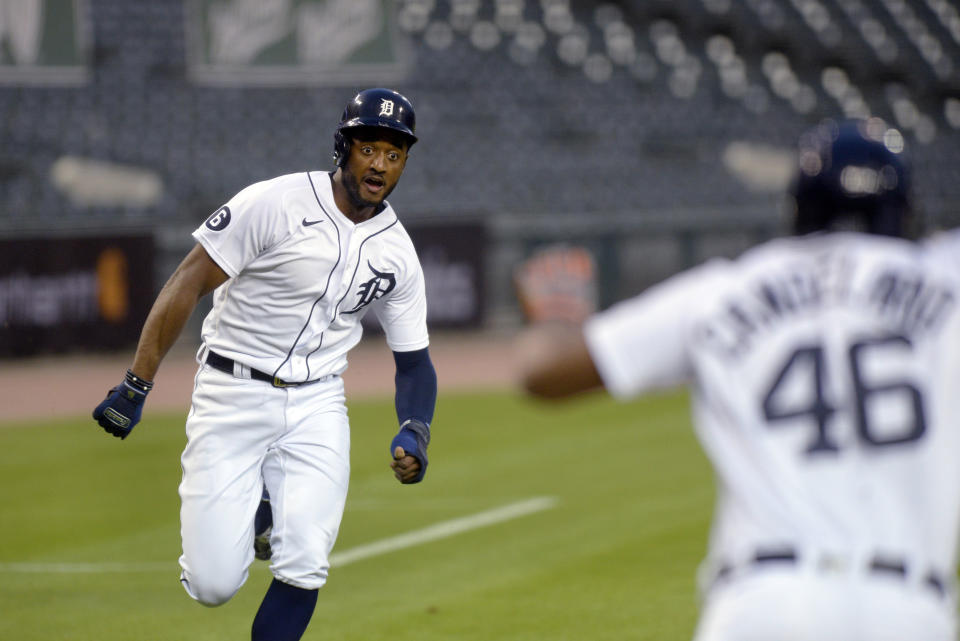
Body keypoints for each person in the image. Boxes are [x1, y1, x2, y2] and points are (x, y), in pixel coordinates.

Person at [515, 118, 960, 640]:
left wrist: (556, 312)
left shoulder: (725, 289)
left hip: (764, 604)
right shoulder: (946, 279)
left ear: (797, 205)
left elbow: (542, 371)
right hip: (905, 608)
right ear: (904, 209)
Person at [92, 87, 437, 641]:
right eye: (369, 147)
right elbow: (189, 281)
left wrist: (415, 429)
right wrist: (137, 384)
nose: (380, 164)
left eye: (394, 154)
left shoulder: (397, 251)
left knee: (305, 563)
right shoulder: (274, 203)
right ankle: (262, 506)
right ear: (343, 148)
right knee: (212, 584)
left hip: (318, 401)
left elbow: (415, 363)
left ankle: (273, 508)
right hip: (232, 392)